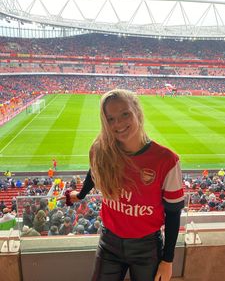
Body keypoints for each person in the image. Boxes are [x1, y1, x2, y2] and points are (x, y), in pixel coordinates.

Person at [58, 89, 184, 281]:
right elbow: (94, 172)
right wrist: (81, 194)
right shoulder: (99, 149)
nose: (118, 124)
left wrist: (167, 261)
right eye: (110, 119)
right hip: (109, 242)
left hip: (147, 247)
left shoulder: (167, 160)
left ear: (138, 112)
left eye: (125, 114)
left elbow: (173, 213)